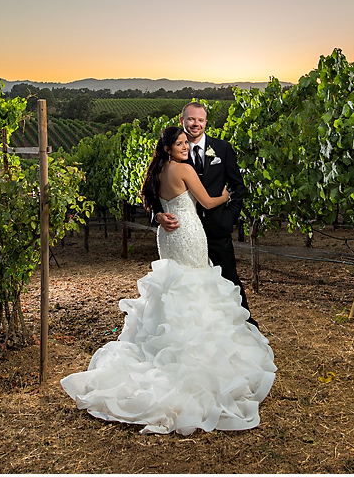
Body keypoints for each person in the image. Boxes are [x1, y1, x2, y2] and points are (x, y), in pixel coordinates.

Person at [60, 126, 276, 436]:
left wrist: (160, 214)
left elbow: (155, 203)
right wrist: (228, 193)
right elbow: (208, 202)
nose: (185, 146)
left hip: (167, 235)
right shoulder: (184, 169)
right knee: (195, 286)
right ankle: (193, 356)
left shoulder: (158, 170)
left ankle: (163, 346)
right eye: (179, 143)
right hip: (186, 232)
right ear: (169, 147)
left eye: (186, 143)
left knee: (174, 287)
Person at [155, 102, 255, 325]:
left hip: (217, 227)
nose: (195, 124)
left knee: (229, 279)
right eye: (191, 119)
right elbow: (152, 192)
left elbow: (238, 186)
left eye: (200, 120)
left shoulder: (222, 148)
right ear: (182, 121)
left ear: (206, 122)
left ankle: (244, 326)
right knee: (187, 283)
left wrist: (228, 218)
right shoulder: (173, 151)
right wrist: (158, 215)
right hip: (183, 233)